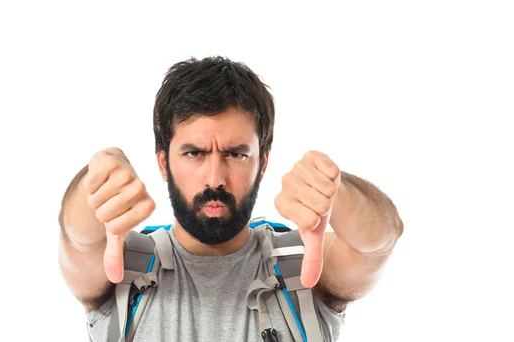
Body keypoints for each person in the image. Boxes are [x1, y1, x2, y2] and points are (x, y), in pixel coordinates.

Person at [57, 56, 404, 342]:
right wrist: (94, 185)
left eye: (235, 155)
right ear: (163, 162)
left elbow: (376, 243)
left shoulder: (304, 268)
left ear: (263, 163)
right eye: (194, 153)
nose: (214, 179)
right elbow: (78, 237)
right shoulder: (121, 267)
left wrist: (336, 191)